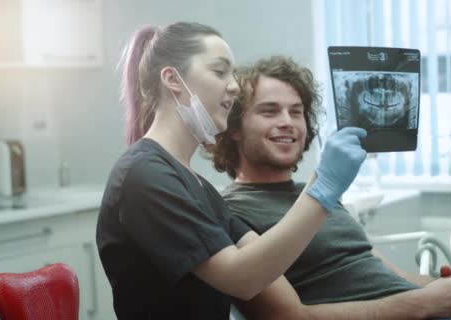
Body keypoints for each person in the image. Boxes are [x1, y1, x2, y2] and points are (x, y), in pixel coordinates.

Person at [212, 55, 451, 319]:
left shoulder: (319, 197)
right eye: (270, 111)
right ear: (233, 127)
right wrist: (426, 303)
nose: (288, 123)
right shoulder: (232, 213)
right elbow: (285, 317)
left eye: (297, 111)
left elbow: (388, 275)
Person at [95, 23, 368, 319]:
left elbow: (262, 264)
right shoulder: (144, 175)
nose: (235, 85)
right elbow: (242, 279)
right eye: (219, 71)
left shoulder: (196, 185)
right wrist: (324, 185)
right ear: (173, 79)